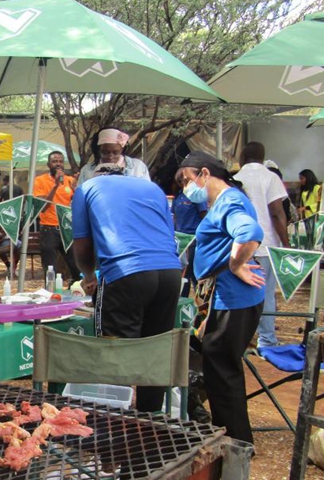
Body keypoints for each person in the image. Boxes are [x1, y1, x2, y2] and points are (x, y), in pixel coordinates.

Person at [72, 163, 182, 413]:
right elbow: (169, 233)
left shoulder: (85, 188)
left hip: (125, 273)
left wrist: (89, 275)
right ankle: (150, 421)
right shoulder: (152, 188)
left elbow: (82, 243)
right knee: (154, 350)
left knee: (115, 354)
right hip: (170, 273)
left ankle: (115, 428)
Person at [176, 151, 265, 445]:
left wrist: (236, 264)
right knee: (217, 368)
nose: (186, 188)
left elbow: (250, 231)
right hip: (220, 296)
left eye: (187, 180)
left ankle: (236, 443)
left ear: (203, 173)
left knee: (222, 372)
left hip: (231, 299)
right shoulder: (222, 202)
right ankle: (227, 433)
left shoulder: (230, 201)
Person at [233, 141, 289, 349]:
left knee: (242, 291)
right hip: (265, 244)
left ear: (243, 157)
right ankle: (267, 340)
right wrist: (285, 243)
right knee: (265, 293)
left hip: (239, 245)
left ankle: (243, 338)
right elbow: (276, 211)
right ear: (262, 156)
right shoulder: (270, 177)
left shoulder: (235, 179)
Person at [33, 150, 80, 283]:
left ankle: (78, 289)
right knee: (50, 266)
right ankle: (50, 293)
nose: (58, 164)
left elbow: (78, 204)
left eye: (60, 161)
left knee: (76, 264)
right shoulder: (40, 181)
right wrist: (55, 186)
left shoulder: (70, 180)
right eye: (54, 161)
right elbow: (43, 206)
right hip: (49, 228)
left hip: (67, 228)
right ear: (49, 164)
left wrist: (76, 190)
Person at [172, 176, 208, 296]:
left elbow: (204, 215)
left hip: (193, 239)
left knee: (191, 273)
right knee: (182, 273)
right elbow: (174, 216)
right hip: (179, 240)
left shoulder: (196, 196)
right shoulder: (178, 195)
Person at [77, 127, 150, 186]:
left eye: (115, 153)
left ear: (122, 149)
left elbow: (146, 193)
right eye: (105, 152)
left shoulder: (138, 167)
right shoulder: (87, 171)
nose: (110, 157)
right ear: (98, 150)